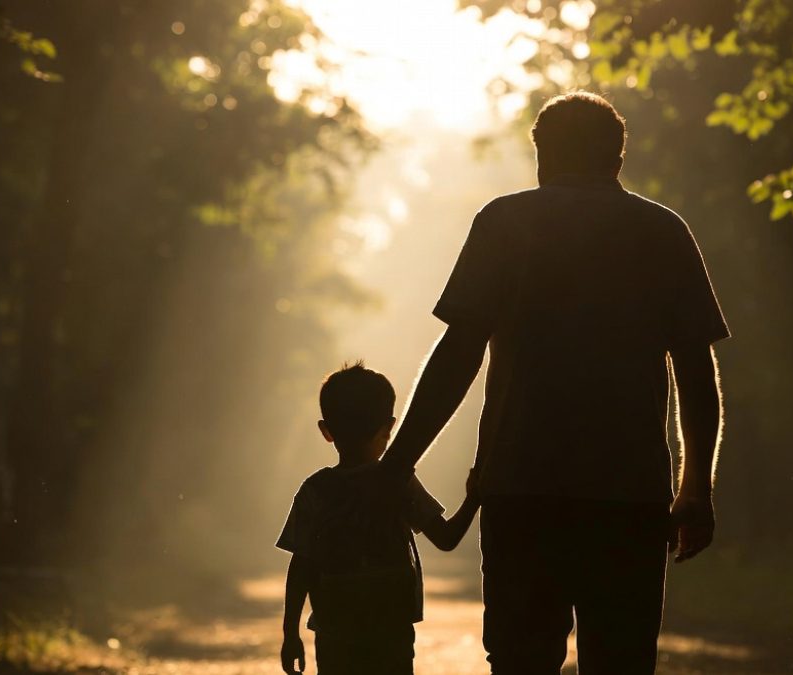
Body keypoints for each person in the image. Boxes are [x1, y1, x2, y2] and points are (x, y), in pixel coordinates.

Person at [380, 92, 730, 674]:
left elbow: (458, 353)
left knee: (520, 659)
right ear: (617, 158)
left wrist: (399, 462)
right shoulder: (662, 230)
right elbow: (695, 370)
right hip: (629, 494)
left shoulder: (506, 222)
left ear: (540, 153)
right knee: (621, 660)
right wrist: (696, 487)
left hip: (520, 487)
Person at [277, 362, 480, 675]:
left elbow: (301, 565)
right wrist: (475, 497)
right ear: (390, 428)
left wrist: (290, 634)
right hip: (391, 626)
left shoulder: (316, 491)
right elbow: (447, 538)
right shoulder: (397, 483)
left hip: (335, 629)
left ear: (325, 430)